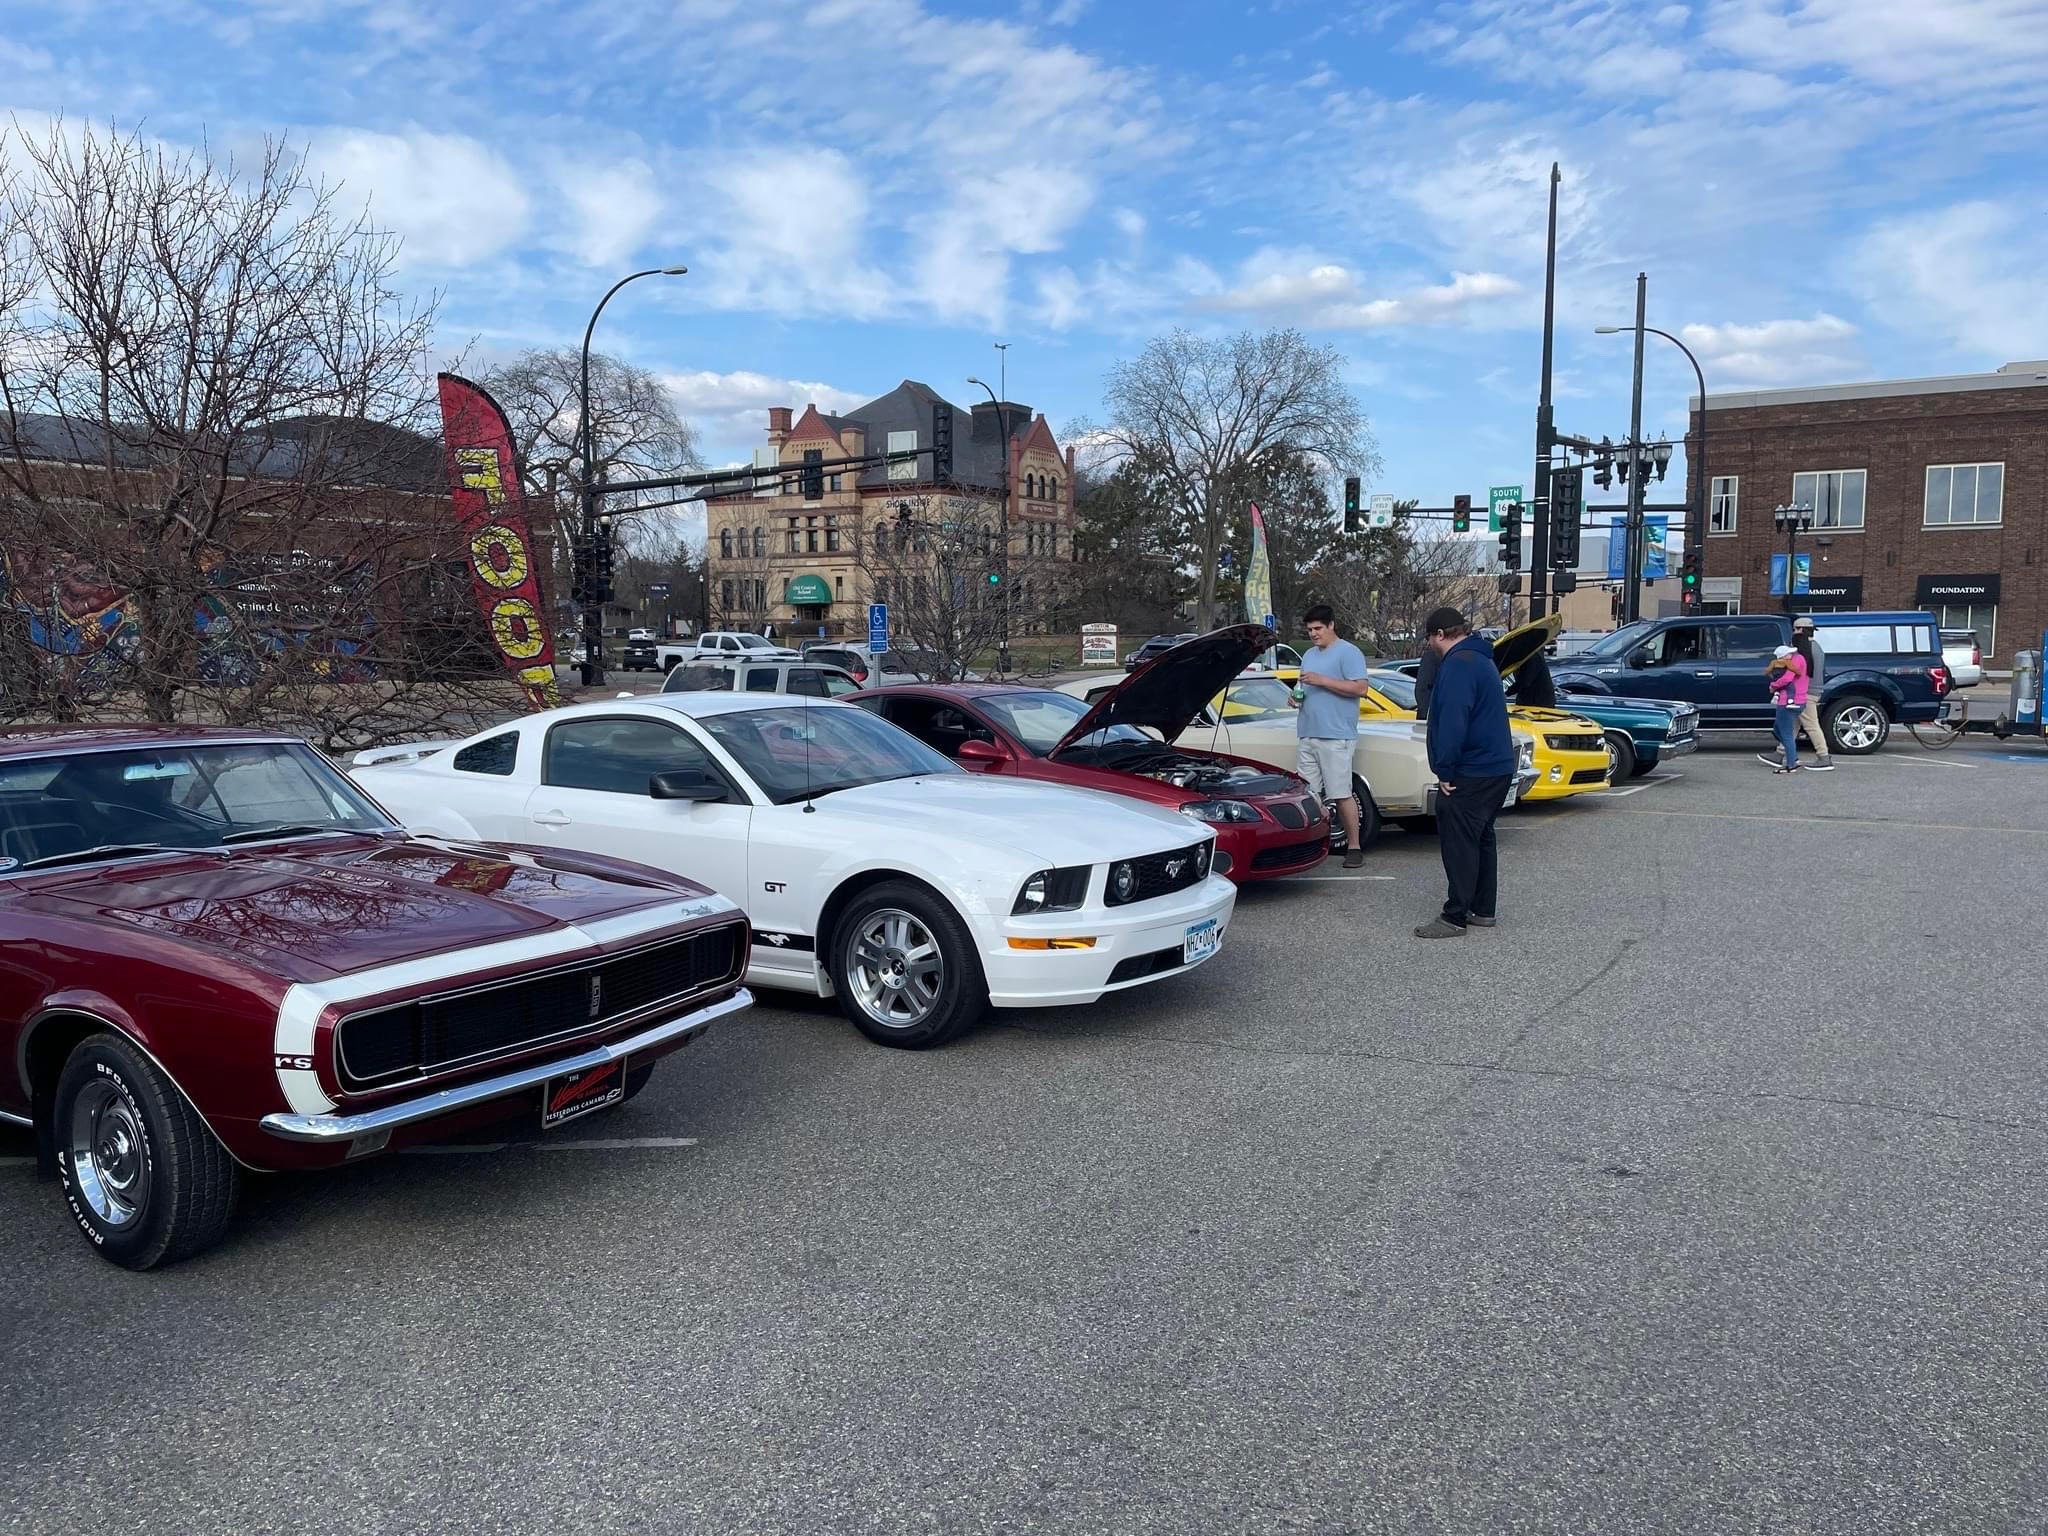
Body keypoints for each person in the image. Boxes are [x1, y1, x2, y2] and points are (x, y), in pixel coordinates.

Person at [1416, 607, 1517, 938]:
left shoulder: (1458, 665)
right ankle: (1483, 909)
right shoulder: (1481, 659)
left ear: (1441, 635)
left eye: (1430, 637)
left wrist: (1445, 768)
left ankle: (1454, 916)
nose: (1430, 644)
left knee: (1459, 838)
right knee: (1481, 836)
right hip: (1496, 765)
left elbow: (1454, 719)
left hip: (1473, 768)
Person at [1292, 604, 1374, 868]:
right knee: (1308, 795)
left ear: (1331, 626)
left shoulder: (1349, 652)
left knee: (1340, 792)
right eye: (1309, 630)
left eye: (1318, 629)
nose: (1314, 634)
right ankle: (1312, 844)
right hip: (1308, 732)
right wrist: (1295, 697)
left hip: (1336, 735)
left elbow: (1361, 688)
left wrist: (1323, 681)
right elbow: (1302, 686)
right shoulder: (1309, 656)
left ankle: (1354, 846)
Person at [1763, 616, 1834, 771]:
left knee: (1811, 725)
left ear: (1800, 630)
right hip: (1811, 691)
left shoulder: (1803, 649)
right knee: (1792, 725)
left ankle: (1824, 757)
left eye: (1795, 629)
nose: (1794, 632)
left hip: (1804, 693)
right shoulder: (1817, 647)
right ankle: (1781, 753)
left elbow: (1795, 673)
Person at [1763, 644, 1808, 772]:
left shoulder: (1795, 660)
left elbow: (1787, 679)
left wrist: (1773, 685)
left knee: (1785, 733)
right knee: (1778, 729)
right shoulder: (1799, 658)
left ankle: (1791, 765)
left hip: (1788, 702)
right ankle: (1792, 757)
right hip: (1798, 700)